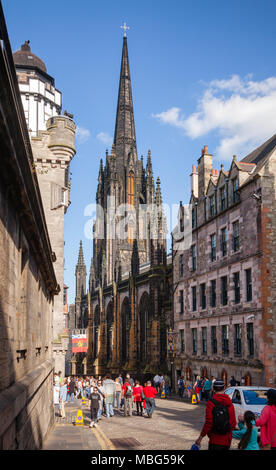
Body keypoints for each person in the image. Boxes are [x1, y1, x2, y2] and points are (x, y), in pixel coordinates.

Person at [195, 380, 236, 450]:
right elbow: (233, 423)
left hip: (214, 439)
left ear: (213, 389)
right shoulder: (229, 403)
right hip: (226, 441)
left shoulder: (211, 403)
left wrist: (201, 437)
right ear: (224, 388)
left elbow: (209, 422)